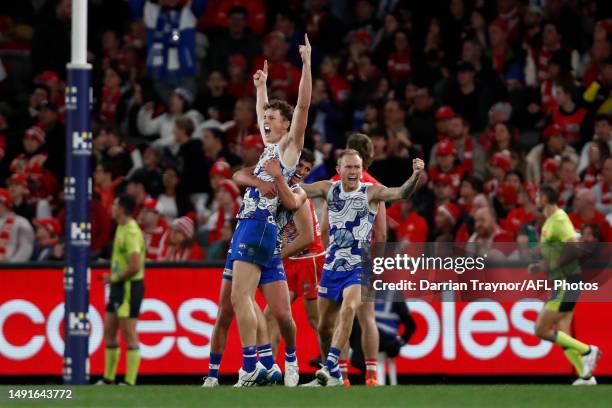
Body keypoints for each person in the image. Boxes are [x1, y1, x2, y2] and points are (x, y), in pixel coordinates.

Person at [299, 150, 425, 386]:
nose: (354, 171)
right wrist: (279, 174)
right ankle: (335, 373)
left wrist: (415, 175)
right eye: (349, 167)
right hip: (332, 266)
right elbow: (300, 189)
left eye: (357, 167)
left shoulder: (371, 192)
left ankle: (330, 368)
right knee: (324, 328)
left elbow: (401, 193)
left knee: (349, 308)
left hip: (360, 265)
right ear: (339, 170)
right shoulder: (329, 188)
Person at [227, 35, 311, 386]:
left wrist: (307, 65)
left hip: (255, 223)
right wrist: (261, 88)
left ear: (285, 125)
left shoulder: (290, 147)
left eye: (274, 118)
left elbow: (303, 109)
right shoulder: (271, 149)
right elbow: (264, 118)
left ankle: (251, 366)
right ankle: (287, 362)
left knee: (239, 297)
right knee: (281, 313)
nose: (266, 121)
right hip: (269, 234)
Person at [528, 184, 601, 385]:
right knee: (562, 330)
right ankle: (585, 376)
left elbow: (574, 247)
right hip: (564, 281)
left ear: (544, 198)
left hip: (566, 282)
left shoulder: (559, 219)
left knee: (541, 329)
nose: (535, 198)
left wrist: (553, 264)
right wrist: (540, 266)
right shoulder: (549, 222)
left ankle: (588, 350)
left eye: (537, 195)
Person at [97, 194, 146, 386]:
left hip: (128, 286)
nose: (112, 206)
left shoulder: (132, 231)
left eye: (116, 204)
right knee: (109, 329)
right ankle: (108, 378)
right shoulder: (120, 226)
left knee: (128, 332)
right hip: (119, 286)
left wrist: (114, 278)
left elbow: (134, 266)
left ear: (122, 209)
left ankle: (129, 381)